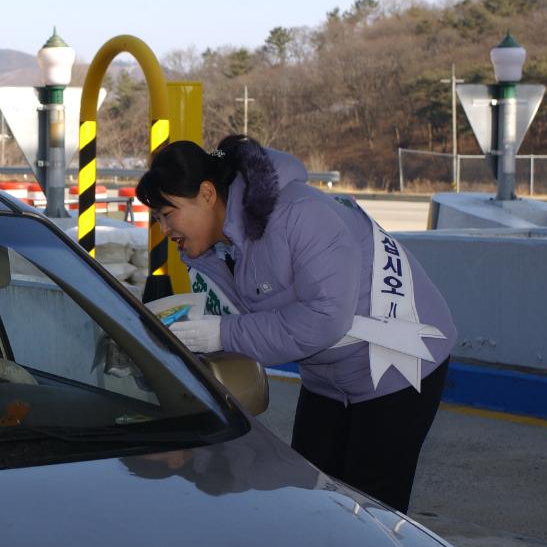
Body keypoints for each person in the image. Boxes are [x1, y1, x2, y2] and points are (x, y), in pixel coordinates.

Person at [136, 136, 456, 512]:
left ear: (207, 194)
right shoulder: (216, 250)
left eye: (167, 212)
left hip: (399, 364)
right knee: (312, 496)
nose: (162, 227)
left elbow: (324, 318)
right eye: (157, 217)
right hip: (328, 375)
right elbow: (245, 326)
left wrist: (220, 333)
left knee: (371, 508)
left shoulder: (300, 214)